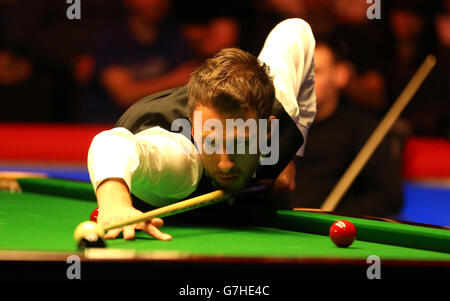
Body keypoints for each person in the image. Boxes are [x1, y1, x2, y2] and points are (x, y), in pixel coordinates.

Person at [87, 18, 316, 241]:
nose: (225, 164)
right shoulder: (181, 160)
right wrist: (115, 203)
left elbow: (296, 31)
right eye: (211, 144)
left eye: (241, 144)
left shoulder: (277, 101)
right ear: (195, 132)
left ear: (268, 131)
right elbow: (112, 143)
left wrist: (289, 154)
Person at [290, 38, 403, 217]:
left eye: (316, 72)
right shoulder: (278, 126)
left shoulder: (364, 130)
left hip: (334, 232)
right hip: (279, 229)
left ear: (340, 75)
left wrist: (338, 218)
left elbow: (389, 197)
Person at [83, 0, 195, 123]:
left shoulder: (175, 36)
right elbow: (124, 95)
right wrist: (173, 81)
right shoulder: (111, 39)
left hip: (161, 126)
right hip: (110, 126)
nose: (156, 2)